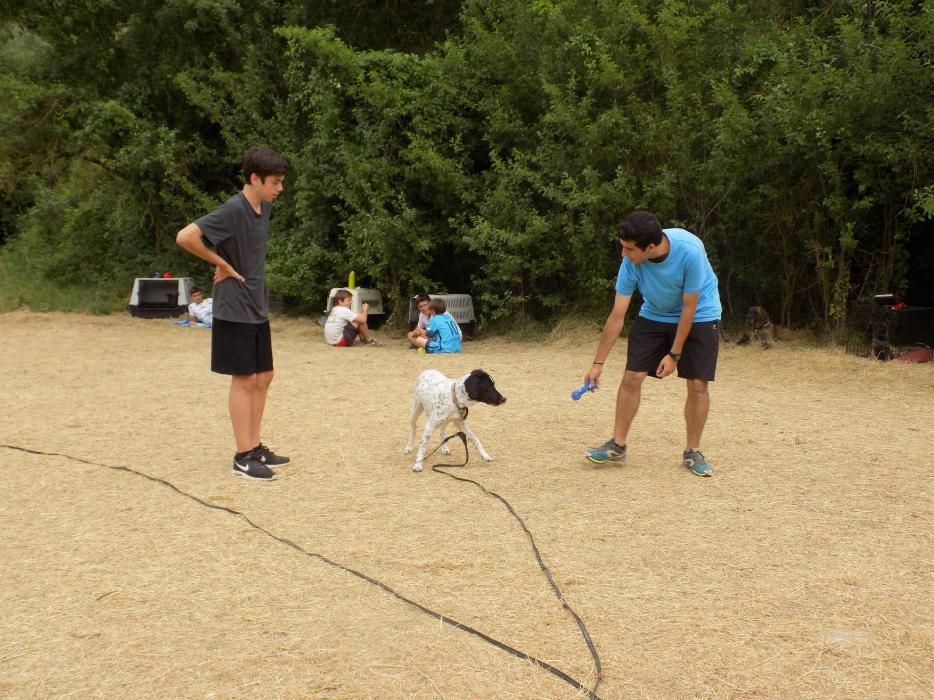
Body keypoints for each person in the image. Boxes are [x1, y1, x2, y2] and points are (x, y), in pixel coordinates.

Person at [175, 147, 291, 481]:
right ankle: (243, 456)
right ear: (254, 178)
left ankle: (254, 447)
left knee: (263, 376)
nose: (279, 188)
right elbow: (186, 236)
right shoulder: (233, 209)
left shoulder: (263, 208)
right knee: (244, 379)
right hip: (233, 306)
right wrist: (220, 262)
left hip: (256, 303)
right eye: (275, 182)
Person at [583, 210, 722, 477]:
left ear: (650, 247)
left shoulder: (690, 250)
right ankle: (617, 445)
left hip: (700, 313)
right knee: (631, 376)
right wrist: (597, 364)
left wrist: (675, 355)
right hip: (655, 312)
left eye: (629, 249)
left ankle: (692, 452)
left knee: (697, 383)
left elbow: (689, 307)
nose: (624, 254)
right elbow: (617, 316)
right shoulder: (631, 263)